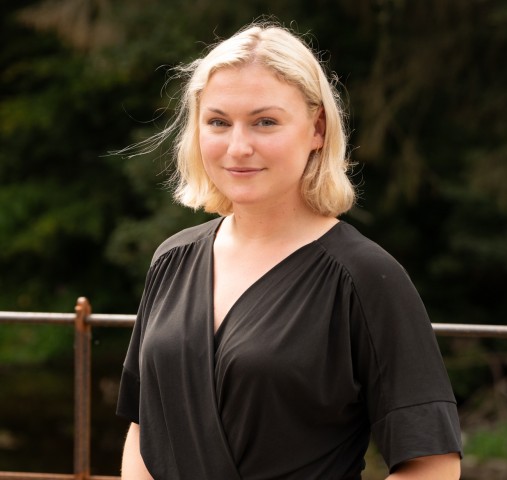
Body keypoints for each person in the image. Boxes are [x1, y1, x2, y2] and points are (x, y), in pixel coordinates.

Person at [116, 20, 462, 480]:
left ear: (317, 128)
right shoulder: (172, 260)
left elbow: (432, 465)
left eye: (265, 122)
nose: (238, 147)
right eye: (218, 122)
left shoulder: (365, 276)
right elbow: (145, 430)